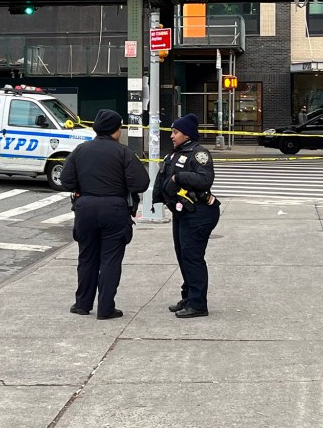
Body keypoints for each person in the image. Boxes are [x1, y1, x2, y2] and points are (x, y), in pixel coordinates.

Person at [60, 109, 149, 320]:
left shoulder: (80, 150)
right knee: (110, 259)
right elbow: (141, 183)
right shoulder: (123, 152)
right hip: (114, 208)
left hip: (85, 208)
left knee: (87, 257)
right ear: (115, 130)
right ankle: (106, 308)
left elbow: (66, 181)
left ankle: (82, 304)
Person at [152, 113, 219, 319]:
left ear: (187, 134)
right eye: (172, 132)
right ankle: (189, 296)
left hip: (199, 213)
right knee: (183, 256)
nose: (172, 136)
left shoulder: (199, 153)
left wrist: (179, 177)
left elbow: (205, 179)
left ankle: (198, 304)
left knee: (192, 257)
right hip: (182, 213)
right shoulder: (175, 153)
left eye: (176, 132)